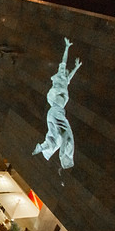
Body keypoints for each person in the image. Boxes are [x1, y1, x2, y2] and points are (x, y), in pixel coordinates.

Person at [32, 37, 82, 169]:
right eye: (64, 72)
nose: (65, 73)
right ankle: (50, 149)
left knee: (59, 136)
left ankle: (45, 147)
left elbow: (70, 76)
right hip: (56, 111)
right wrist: (67, 48)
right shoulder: (60, 78)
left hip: (56, 112)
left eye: (66, 73)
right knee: (63, 135)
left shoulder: (65, 81)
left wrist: (76, 67)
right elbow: (64, 62)